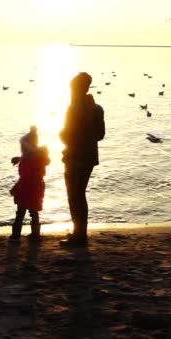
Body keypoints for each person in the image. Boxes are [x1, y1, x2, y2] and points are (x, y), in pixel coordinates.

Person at [60, 72, 105, 247]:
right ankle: (80, 233)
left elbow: (67, 136)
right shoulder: (97, 108)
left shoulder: (73, 109)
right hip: (89, 157)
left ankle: (79, 236)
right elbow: (100, 135)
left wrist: (62, 135)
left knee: (74, 196)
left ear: (78, 88)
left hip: (74, 157)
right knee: (80, 195)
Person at [9, 126, 50, 242]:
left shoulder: (28, 160)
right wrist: (20, 158)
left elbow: (25, 178)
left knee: (20, 213)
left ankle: (15, 236)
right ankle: (35, 234)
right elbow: (32, 157)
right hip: (37, 188)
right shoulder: (38, 156)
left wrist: (15, 188)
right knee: (34, 212)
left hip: (26, 189)